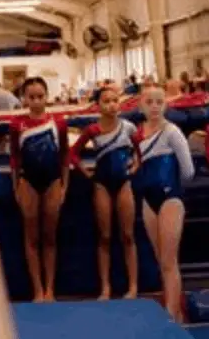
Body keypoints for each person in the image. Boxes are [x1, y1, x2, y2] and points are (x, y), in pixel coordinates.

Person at [70, 84, 139, 300]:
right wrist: (86, 173)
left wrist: (136, 165)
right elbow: (73, 153)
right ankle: (106, 287)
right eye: (106, 101)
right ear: (98, 105)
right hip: (101, 184)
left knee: (128, 235)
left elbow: (141, 149)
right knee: (105, 236)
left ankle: (133, 286)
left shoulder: (128, 127)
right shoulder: (92, 130)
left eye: (114, 100)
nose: (111, 105)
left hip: (123, 183)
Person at [133, 85, 195, 322]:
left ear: (166, 104)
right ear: (141, 105)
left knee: (169, 260)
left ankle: (172, 313)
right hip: (149, 200)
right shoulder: (138, 134)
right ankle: (175, 309)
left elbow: (188, 170)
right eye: (150, 102)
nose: (155, 106)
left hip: (170, 198)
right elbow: (138, 164)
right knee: (161, 260)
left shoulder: (172, 132)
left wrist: (173, 192)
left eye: (159, 101)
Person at [10, 77, 69, 302]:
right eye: (31, 97)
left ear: (47, 96)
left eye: (40, 96)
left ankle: (50, 288)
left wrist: (65, 185)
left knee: (50, 237)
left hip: (53, 181)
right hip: (28, 183)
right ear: (24, 98)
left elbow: (64, 155)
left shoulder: (59, 122)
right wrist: (16, 185)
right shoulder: (17, 124)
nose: (36, 101)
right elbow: (15, 158)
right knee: (31, 237)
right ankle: (37, 289)